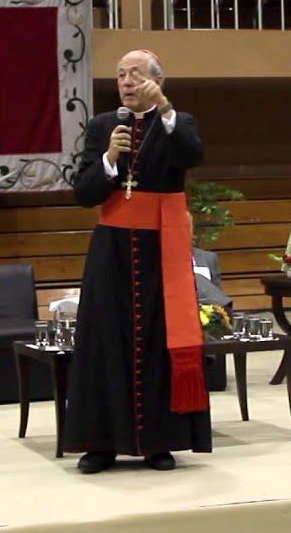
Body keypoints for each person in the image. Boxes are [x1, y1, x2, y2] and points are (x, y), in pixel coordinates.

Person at [63, 49, 211, 474]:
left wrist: (165, 109)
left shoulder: (177, 122)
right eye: (121, 75)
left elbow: (190, 156)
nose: (126, 82)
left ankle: (160, 442)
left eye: (136, 75)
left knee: (160, 340)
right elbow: (84, 192)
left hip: (160, 248)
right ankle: (100, 444)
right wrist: (109, 158)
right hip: (111, 249)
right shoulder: (102, 126)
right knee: (103, 341)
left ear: (156, 82)